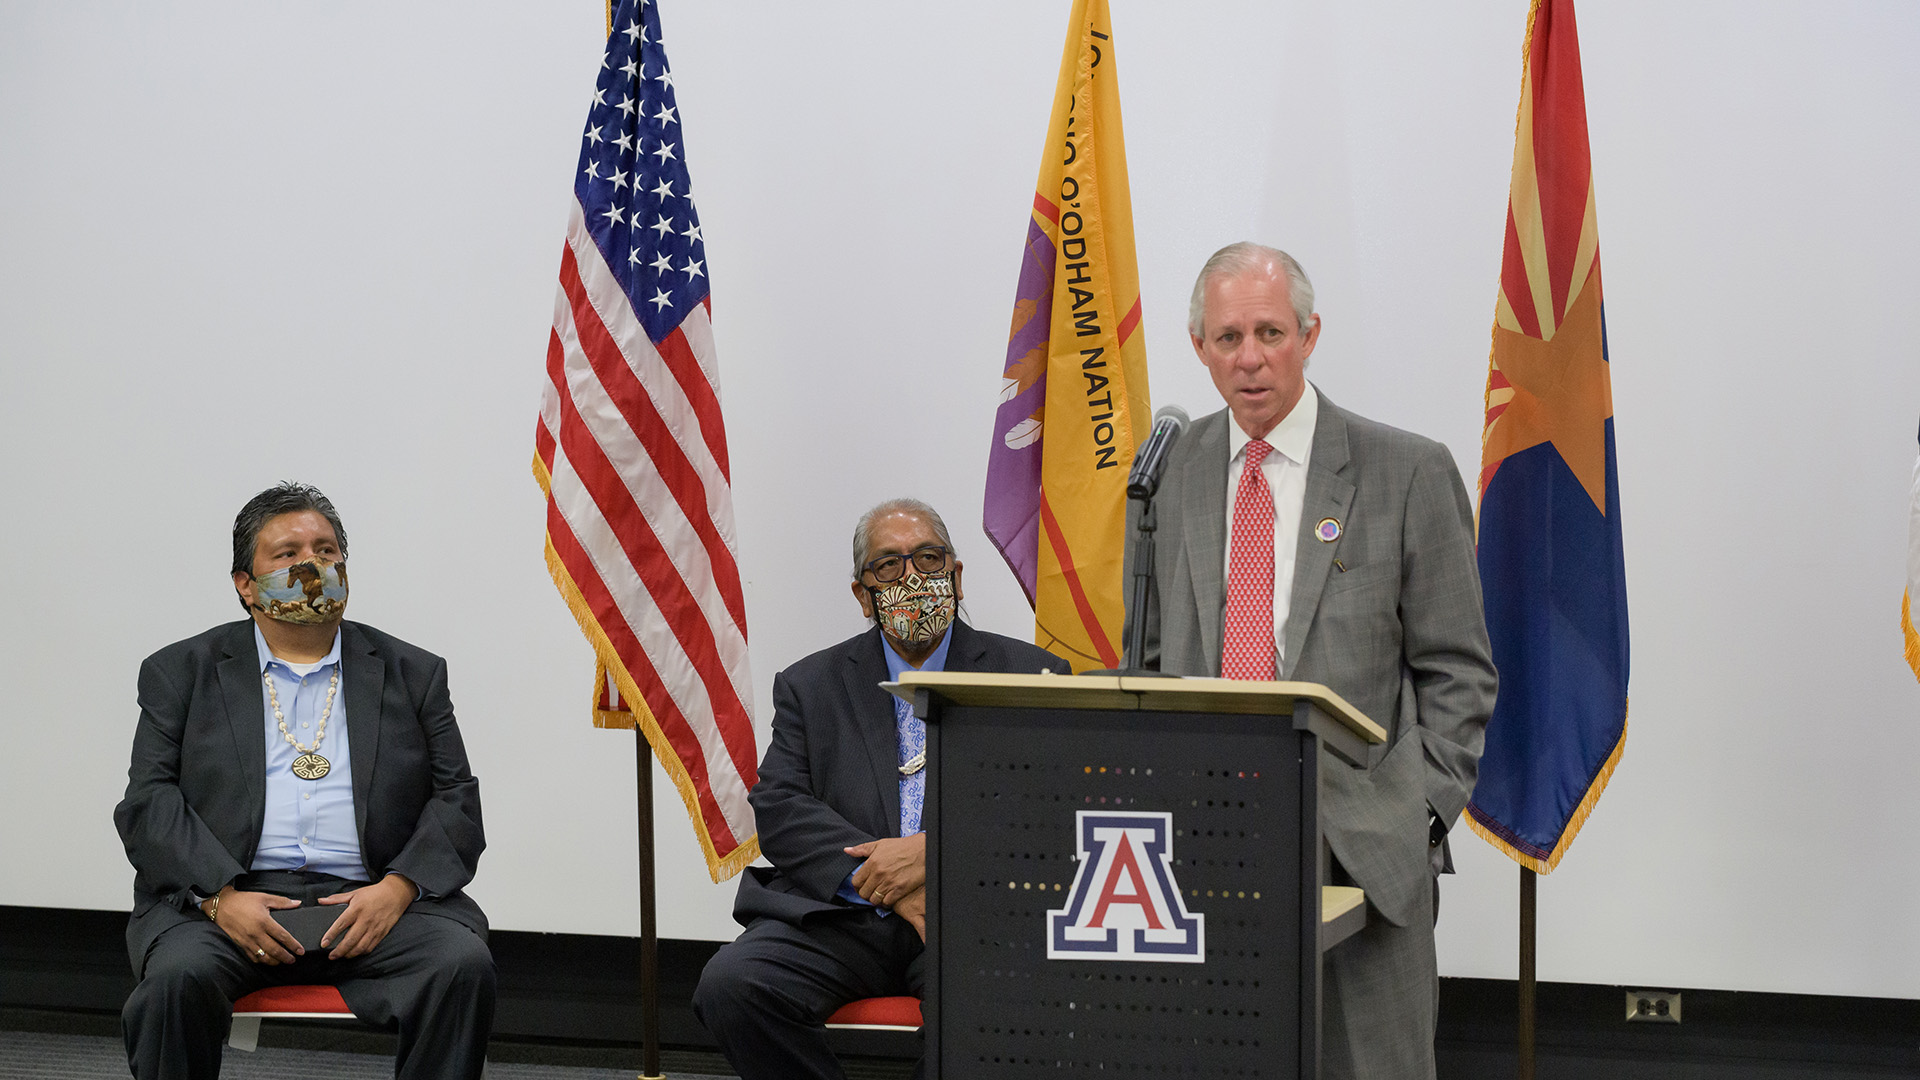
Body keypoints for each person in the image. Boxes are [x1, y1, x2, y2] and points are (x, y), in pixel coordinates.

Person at [1124, 243, 1498, 1080]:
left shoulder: (1404, 470)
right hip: (1202, 847)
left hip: (1362, 847)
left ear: (1310, 334)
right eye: (1227, 339)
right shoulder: (1166, 477)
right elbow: (1144, 663)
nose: (1249, 358)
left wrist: (1418, 816)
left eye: (1270, 332)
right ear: (1199, 348)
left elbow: (1461, 673)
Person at [114, 482, 495, 1080]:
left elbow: (456, 801)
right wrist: (218, 899)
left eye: (326, 550)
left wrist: (397, 890)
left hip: (372, 897)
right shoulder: (180, 672)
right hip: (231, 901)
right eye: (287, 555)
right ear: (245, 583)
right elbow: (149, 804)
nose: (311, 566)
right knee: (177, 979)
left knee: (459, 964)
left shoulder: (413, 673)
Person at [694, 498, 1066, 1080]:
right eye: (889, 566)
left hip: (967, 911)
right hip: (841, 916)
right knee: (731, 986)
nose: (913, 577)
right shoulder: (809, 684)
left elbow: (1043, 810)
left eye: (928, 558)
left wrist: (931, 854)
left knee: (997, 1000)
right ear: (862, 595)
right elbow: (781, 807)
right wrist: (885, 885)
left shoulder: (1027, 676)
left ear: (957, 576)